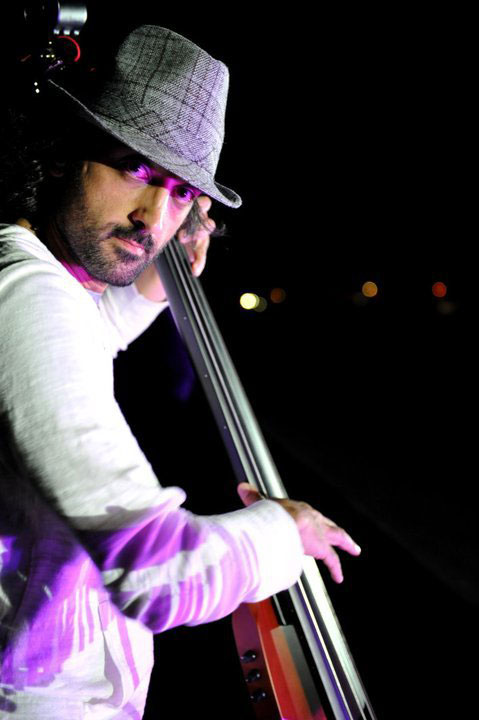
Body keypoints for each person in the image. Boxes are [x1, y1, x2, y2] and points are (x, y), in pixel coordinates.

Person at [0, 25, 361, 719]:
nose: (152, 218)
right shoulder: (27, 296)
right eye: (136, 170)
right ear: (66, 151)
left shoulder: (38, 279)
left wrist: (148, 289)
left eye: (179, 193)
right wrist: (282, 534)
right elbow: (156, 574)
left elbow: (79, 340)